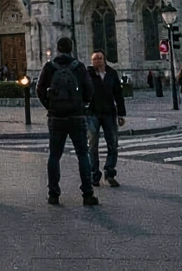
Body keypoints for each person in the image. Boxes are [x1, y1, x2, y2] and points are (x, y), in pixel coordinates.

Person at [36, 37, 97, 206]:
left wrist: (49, 106)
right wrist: (82, 106)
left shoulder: (49, 67)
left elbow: (39, 90)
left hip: (56, 118)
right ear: (71, 48)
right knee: (83, 154)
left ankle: (53, 194)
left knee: (54, 156)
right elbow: (89, 90)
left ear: (57, 49)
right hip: (77, 117)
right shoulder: (79, 67)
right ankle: (87, 194)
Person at [86, 51, 126, 189]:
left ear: (104, 60)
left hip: (109, 113)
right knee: (92, 146)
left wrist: (121, 114)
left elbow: (118, 94)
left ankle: (110, 173)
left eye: (100, 58)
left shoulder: (112, 73)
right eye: (94, 59)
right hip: (92, 113)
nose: (97, 61)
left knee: (113, 143)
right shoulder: (88, 74)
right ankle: (94, 174)